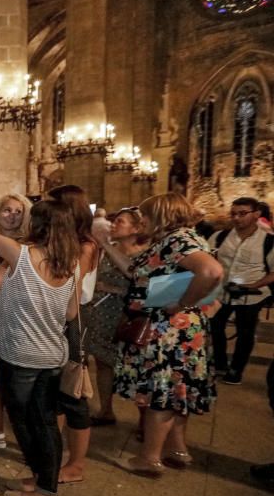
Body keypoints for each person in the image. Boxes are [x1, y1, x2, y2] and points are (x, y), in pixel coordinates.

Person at [101, 193, 223, 478]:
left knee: (162, 392)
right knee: (176, 390)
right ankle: (177, 449)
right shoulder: (180, 238)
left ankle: (149, 458)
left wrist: (182, 303)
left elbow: (211, 271)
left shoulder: (177, 240)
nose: (141, 221)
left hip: (166, 329)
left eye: (145, 215)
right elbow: (138, 272)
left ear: (160, 215)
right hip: (177, 328)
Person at [0, 199, 80, 496]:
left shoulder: (22, 255)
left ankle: (45, 492)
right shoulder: (70, 263)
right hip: (52, 355)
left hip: (21, 355)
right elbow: (71, 313)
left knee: (26, 423)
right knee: (46, 423)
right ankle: (45, 480)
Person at [47, 184, 101, 485]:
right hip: (69, 319)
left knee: (73, 391)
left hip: (74, 320)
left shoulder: (84, 245)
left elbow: (73, 294)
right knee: (60, 391)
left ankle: (77, 463)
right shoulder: (76, 241)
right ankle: (55, 452)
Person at [88, 208, 149, 425]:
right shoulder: (109, 249)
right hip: (102, 314)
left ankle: (145, 420)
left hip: (126, 314)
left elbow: (140, 283)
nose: (114, 225)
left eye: (120, 222)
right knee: (103, 362)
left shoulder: (144, 254)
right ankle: (106, 409)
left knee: (136, 368)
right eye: (114, 221)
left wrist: (114, 290)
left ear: (136, 228)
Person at [0, 193, 32, 450]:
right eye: (7, 210)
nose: (12, 215)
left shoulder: (26, 245)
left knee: (0, 376)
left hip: (12, 309)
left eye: (18, 211)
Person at [208, 197, 274, 385]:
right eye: (234, 213)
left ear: (256, 214)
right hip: (222, 292)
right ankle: (220, 363)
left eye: (242, 213)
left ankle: (236, 369)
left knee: (245, 332)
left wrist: (254, 285)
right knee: (216, 326)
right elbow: (209, 259)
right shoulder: (220, 236)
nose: (237, 218)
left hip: (251, 295)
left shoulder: (268, 241)